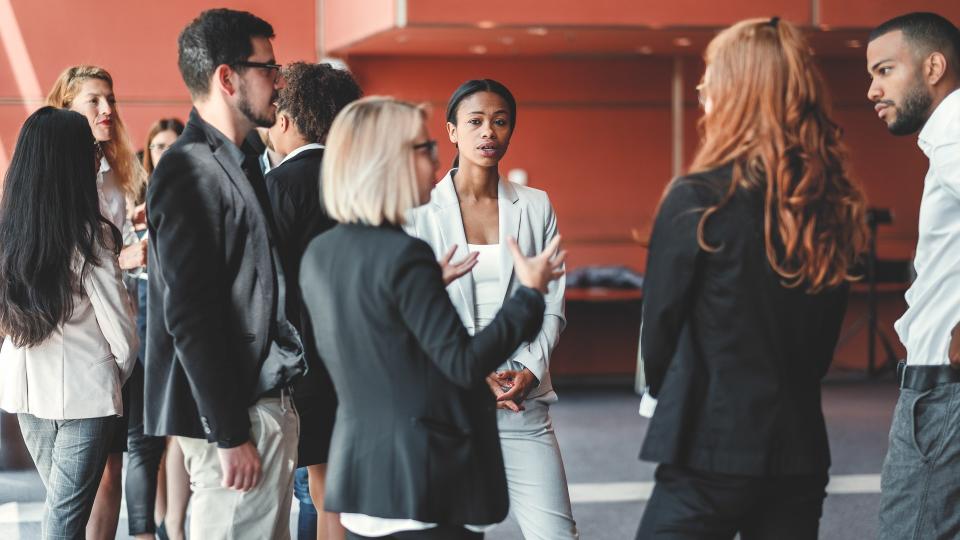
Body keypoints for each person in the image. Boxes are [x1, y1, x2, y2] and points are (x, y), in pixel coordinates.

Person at [636, 17, 868, 539]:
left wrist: (670, 394)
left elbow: (659, 334)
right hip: (800, 449)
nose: (701, 91)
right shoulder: (831, 204)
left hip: (709, 445)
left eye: (711, 76)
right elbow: (820, 349)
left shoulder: (698, 198)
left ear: (739, 89)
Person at [299, 96, 565, 540]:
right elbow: (463, 363)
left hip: (363, 478)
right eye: (423, 148)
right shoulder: (403, 255)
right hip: (422, 478)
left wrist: (420, 289)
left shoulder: (322, 253)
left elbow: (369, 344)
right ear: (388, 160)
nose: (437, 159)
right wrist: (530, 294)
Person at [144, 8, 302, 539]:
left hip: (262, 407)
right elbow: (190, 313)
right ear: (227, 78)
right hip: (236, 419)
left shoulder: (245, 159)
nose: (279, 81)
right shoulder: (187, 168)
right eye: (269, 68)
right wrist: (229, 432)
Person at [405, 79, 578, 540]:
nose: (489, 133)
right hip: (448, 400)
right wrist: (469, 368)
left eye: (500, 122)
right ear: (452, 132)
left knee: (557, 535)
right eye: (476, 121)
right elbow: (414, 308)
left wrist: (528, 367)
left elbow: (551, 300)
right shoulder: (419, 210)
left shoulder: (535, 205)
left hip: (520, 399)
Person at [0, 106, 138, 540]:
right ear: (70, 161)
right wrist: (107, 374)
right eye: (91, 152)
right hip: (86, 398)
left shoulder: (11, 232)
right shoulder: (90, 235)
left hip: (27, 394)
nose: (97, 160)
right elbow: (123, 335)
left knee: (63, 516)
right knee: (64, 522)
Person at [46, 64, 150, 540]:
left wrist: (136, 249)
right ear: (67, 108)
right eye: (94, 100)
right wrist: (119, 258)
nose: (108, 109)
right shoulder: (44, 175)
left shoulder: (114, 170)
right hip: (67, 344)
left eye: (110, 98)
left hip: (117, 335)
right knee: (72, 480)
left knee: (111, 465)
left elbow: (124, 245)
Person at [866, 12, 960, 539]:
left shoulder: (953, 133)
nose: (873, 89)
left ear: (933, 66)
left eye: (884, 70)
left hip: (944, 395)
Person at [265, 61, 361, 540]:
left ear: (285, 119)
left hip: (305, 357)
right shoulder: (363, 182)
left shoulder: (279, 186)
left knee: (316, 492)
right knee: (339, 494)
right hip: (362, 351)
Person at [133, 117, 189, 540]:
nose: (165, 153)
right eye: (158, 147)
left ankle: (173, 525)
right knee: (148, 439)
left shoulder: (194, 197)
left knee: (178, 434)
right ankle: (153, 525)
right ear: (148, 155)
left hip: (182, 327)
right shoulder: (135, 205)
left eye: (173, 146)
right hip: (142, 330)